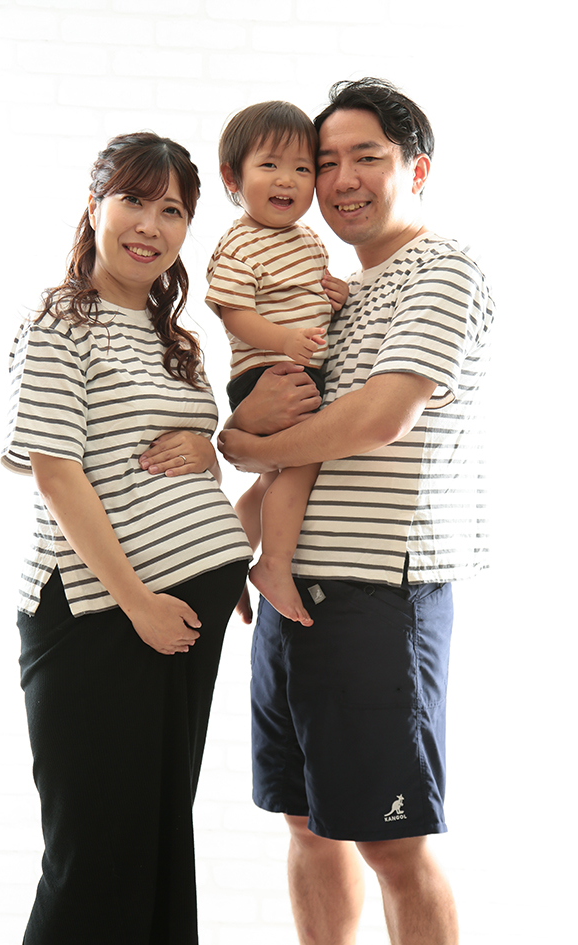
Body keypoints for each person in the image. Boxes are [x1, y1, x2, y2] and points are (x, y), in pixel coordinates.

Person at [219, 78, 494, 945]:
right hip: (290, 592)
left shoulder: (442, 269)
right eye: (325, 160)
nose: (339, 179)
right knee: (306, 820)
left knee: (393, 841)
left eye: (364, 157)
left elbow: (379, 418)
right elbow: (296, 432)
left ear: (416, 168)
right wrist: (245, 466)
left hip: (379, 593)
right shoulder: (342, 293)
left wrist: (244, 447)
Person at [1, 132, 251, 945]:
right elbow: (57, 473)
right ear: (94, 205)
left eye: (171, 210)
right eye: (133, 201)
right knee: (93, 858)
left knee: (153, 845)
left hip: (177, 620)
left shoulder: (172, 335)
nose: (150, 225)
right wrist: (138, 598)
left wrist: (209, 461)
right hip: (97, 615)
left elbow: (163, 459)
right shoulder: (57, 321)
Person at [205, 100, 348, 626]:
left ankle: (224, 564)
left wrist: (334, 295)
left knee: (270, 481)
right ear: (233, 177)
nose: (287, 179)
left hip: (293, 368)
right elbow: (234, 312)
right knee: (305, 461)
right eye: (269, 165)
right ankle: (274, 564)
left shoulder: (308, 240)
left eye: (303, 168)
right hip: (269, 374)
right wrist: (285, 340)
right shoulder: (240, 243)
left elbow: (308, 297)